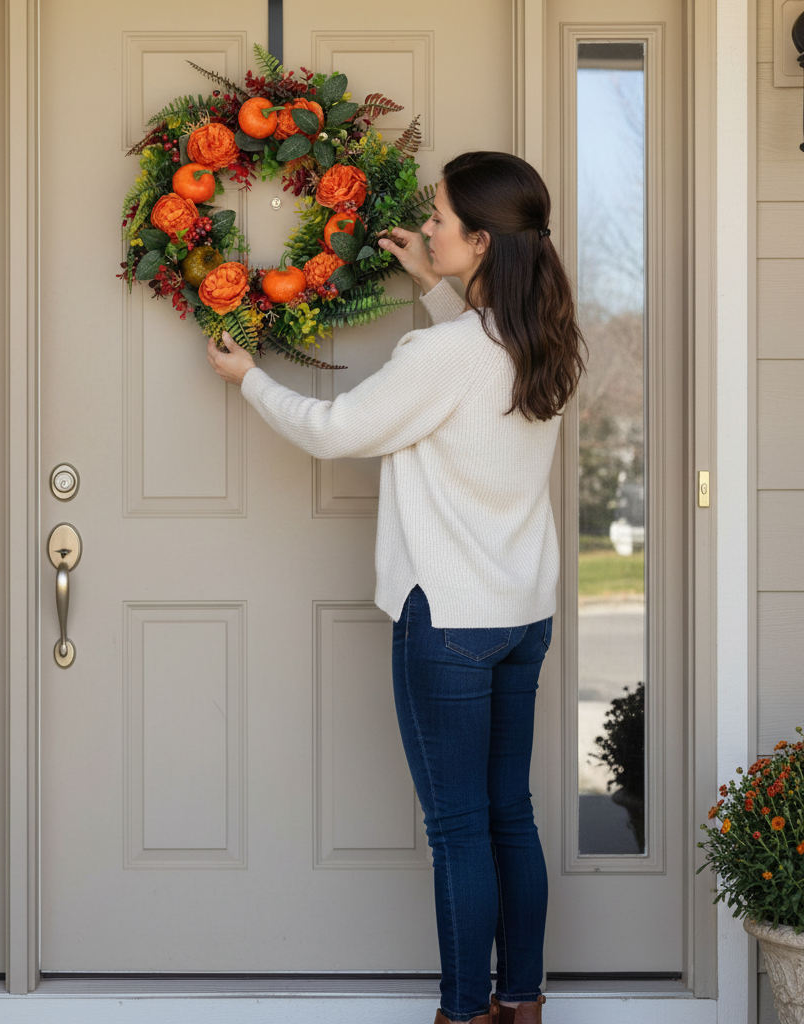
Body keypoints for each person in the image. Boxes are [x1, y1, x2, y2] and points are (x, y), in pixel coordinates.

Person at [206, 151, 585, 1024]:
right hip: (522, 614)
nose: (426, 230)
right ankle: (519, 1004)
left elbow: (338, 429)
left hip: (449, 621)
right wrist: (435, 283)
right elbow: (472, 368)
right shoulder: (545, 338)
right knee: (509, 819)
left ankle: (462, 1014)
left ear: (482, 241)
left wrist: (251, 380)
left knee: (458, 830)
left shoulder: (444, 351)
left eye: (441, 222)